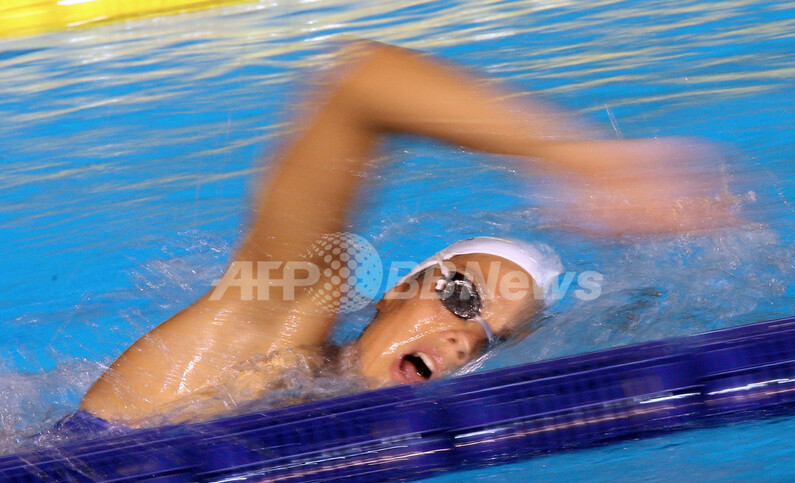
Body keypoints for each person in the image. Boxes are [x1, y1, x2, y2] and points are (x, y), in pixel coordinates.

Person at [76, 41, 735, 428]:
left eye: (493, 340)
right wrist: (583, 158)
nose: (464, 339)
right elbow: (360, 82)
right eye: (463, 300)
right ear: (393, 291)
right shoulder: (266, 338)